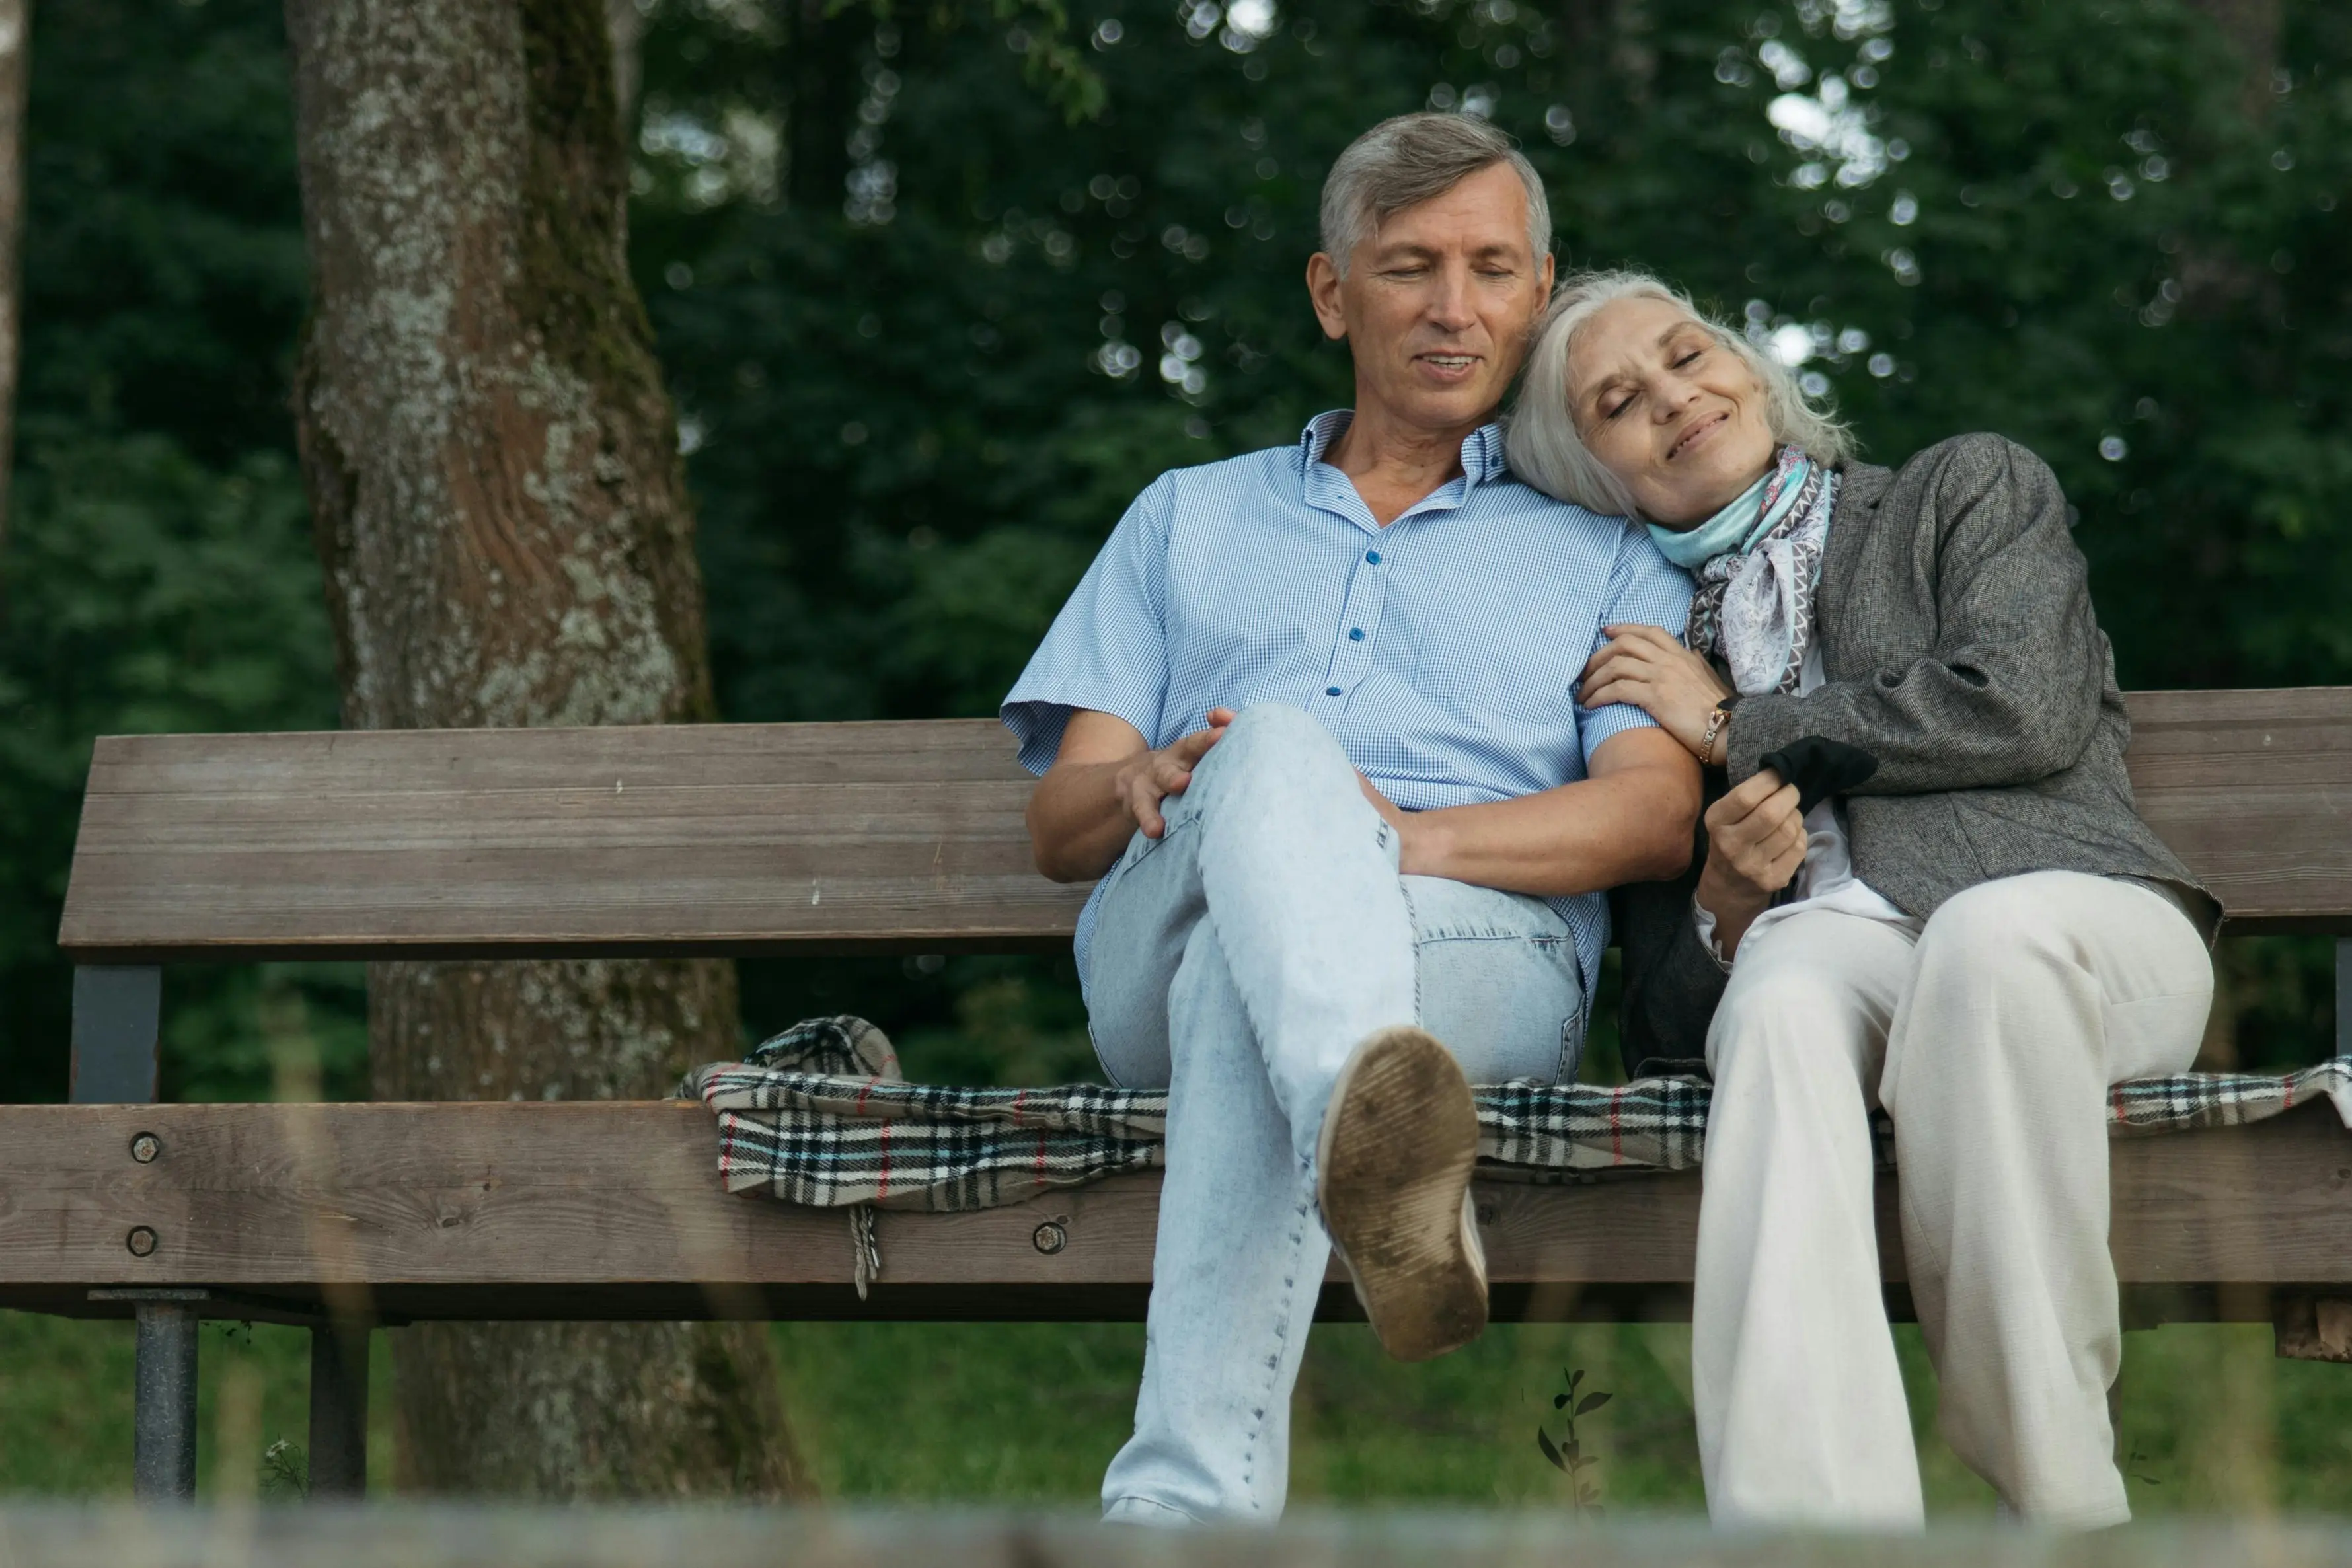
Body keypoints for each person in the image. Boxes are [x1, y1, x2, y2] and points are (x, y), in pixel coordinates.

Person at [1000, 118, 1700, 1525]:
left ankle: (1179, 1520)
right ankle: (1370, 1135)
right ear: (1334, 294)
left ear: (1538, 289)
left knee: (1235, 990)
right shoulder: (1187, 517)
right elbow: (1063, 825)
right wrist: (1136, 784)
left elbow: (1650, 815)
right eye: (1410, 268)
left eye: (1492, 268)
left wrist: (1401, 842)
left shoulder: (1611, 538)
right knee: (1269, 749)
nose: (1454, 307)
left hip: (1478, 958)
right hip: (1169, 912)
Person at [1504, 268, 2220, 1528]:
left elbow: (2019, 704)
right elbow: (1669, 1038)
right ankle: (1814, 1531)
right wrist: (1726, 893)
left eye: (1686, 356)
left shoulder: (1961, 489)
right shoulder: (1644, 653)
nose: (1674, 399)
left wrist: (1736, 722)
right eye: (1620, 403)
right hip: (1846, 955)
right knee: (1777, 999)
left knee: (1988, 945)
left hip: (2078, 927)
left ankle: (2062, 1512)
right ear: (1595, 481)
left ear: (1747, 366)